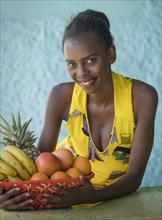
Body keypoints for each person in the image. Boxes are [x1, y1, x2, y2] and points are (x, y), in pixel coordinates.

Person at [0, 9, 158, 210]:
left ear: (111, 54)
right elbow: (39, 167)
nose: (81, 73)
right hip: (63, 198)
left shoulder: (142, 96)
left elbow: (134, 177)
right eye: (72, 64)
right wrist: (12, 195)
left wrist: (91, 197)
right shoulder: (61, 96)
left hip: (115, 200)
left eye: (91, 60)